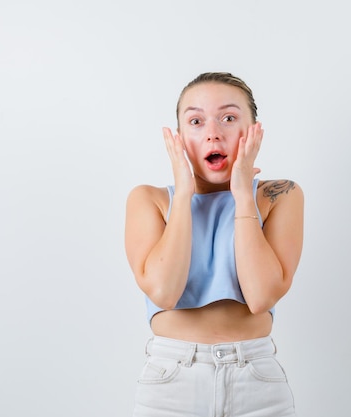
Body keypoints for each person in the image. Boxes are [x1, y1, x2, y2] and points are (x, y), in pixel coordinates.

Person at [124, 72, 304, 417]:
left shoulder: (280, 195)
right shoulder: (150, 200)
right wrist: (184, 193)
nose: (213, 132)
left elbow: (261, 295)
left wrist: (242, 195)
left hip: (257, 381)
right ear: (178, 139)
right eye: (196, 121)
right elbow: (164, 291)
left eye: (229, 118)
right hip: (171, 382)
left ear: (254, 131)